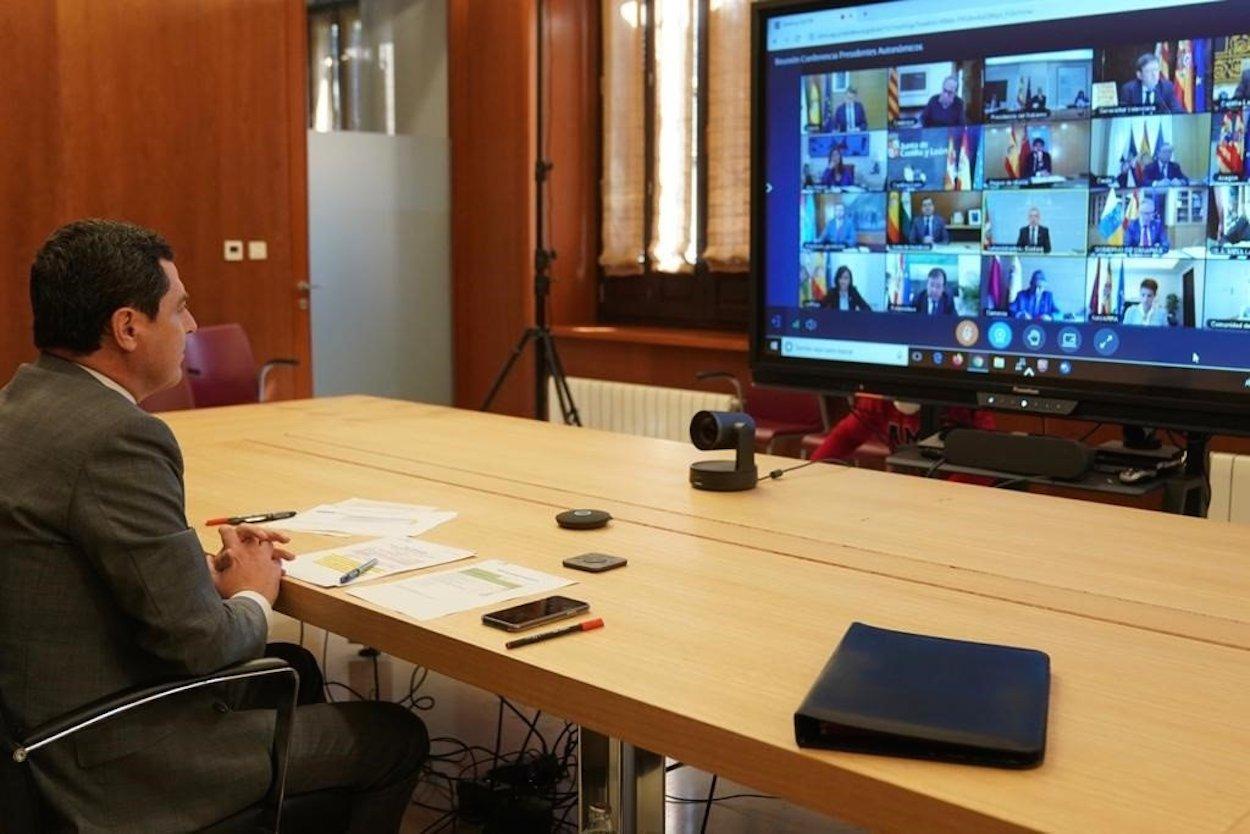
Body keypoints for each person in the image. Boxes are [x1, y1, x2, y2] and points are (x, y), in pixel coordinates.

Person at [0, 219, 429, 833]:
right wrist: (253, 591)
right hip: (102, 760)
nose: (193, 326)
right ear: (127, 328)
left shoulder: (19, 404)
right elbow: (199, 645)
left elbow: (74, 559)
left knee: (296, 671)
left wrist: (192, 570)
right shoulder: (118, 437)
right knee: (394, 735)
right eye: (180, 308)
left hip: (31, 727)